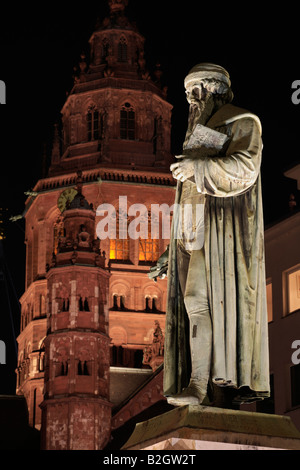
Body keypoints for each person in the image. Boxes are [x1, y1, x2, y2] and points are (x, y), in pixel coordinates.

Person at [162, 63, 270, 406]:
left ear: (217, 89)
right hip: (193, 233)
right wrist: (172, 250)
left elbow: (246, 168)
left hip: (226, 232)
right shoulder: (196, 134)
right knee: (195, 304)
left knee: (205, 303)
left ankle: (202, 386)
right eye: (188, 93)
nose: (192, 100)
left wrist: (198, 167)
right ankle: (199, 385)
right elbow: (189, 195)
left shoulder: (242, 120)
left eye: (198, 91)